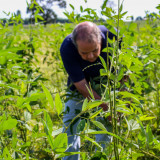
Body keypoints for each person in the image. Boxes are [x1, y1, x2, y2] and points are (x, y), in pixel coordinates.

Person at [60, 21, 118, 160]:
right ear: (76, 46)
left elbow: (123, 73)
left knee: (106, 125)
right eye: (84, 53)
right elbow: (81, 84)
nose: (91, 56)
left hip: (106, 84)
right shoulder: (67, 47)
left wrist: (118, 103)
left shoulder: (113, 37)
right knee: (71, 122)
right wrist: (104, 107)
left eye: (95, 50)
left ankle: (102, 157)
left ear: (100, 40)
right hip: (80, 86)